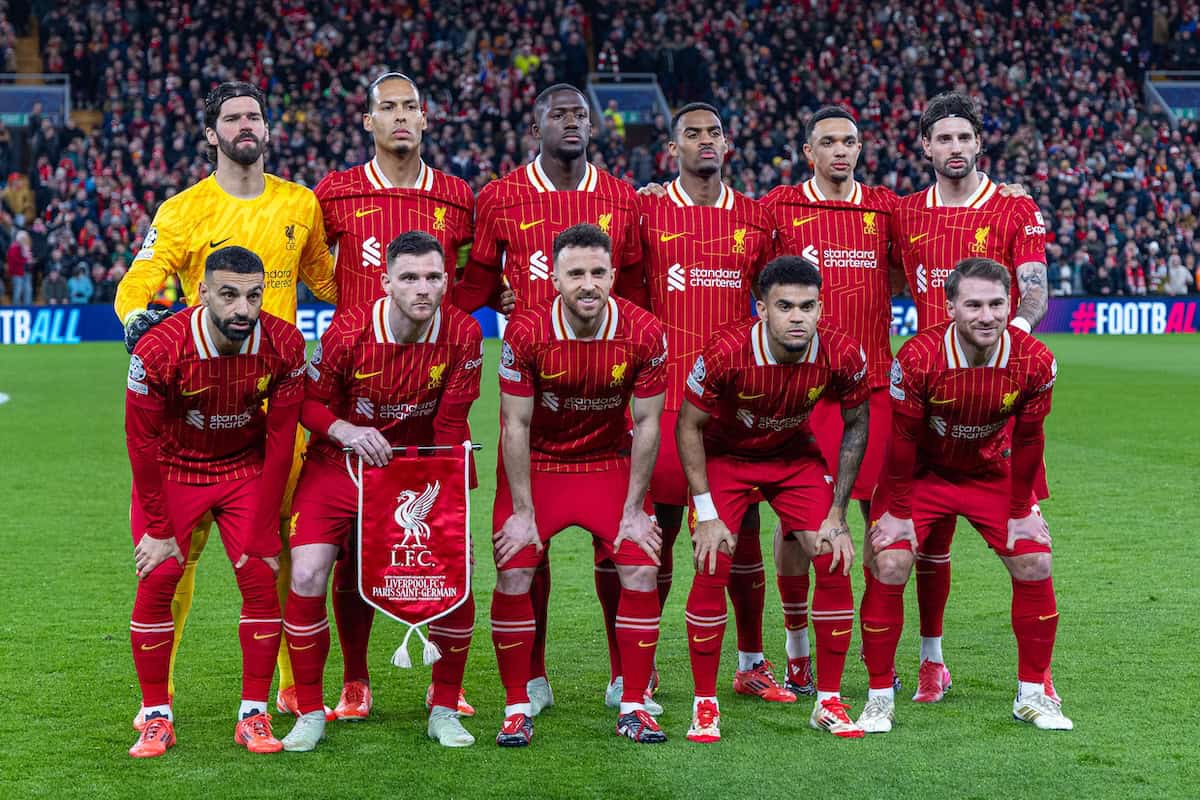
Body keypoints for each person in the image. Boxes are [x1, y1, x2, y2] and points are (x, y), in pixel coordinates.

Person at [115, 81, 338, 728]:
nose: (248, 125)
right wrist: (137, 322)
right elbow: (139, 281)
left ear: (268, 129)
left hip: (276, 408)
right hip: (197, 409)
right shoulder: (183, 210)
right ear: (211, 134)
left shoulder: (300, 203)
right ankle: (157, 698)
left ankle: (295, 690)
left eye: (256, 116)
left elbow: (326, 278)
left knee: (292, 551)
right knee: (171, 563)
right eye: (233, 118)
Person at [453, 84, 645, 715]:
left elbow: (637, 289)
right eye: (559, 114)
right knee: (523, 550)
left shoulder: (621, 196)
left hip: (605, 395)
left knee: (617, 548)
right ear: (536, 126)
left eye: (580, 115)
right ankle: (530, 678)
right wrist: (496, 299)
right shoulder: (502, 196)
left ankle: (625, 675)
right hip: (527, 401)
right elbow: (475, 285)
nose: (572, 123)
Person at [313, 71, 480, 721]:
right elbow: (312, 268)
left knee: (439, 546)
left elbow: (472, 281)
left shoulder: (458, 197)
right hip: (354, 404)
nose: (401, 117)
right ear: (369, 121)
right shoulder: (335, 193)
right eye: (388, 108)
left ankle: (448, 683)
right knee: (350, 552)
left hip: (434, 403)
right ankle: (355, 680)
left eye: (411, 106)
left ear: (427, 119)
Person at [280, 231, 484, 751]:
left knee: (456, 573)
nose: (423, 289)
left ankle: (444, 707)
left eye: (434, 277)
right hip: (339, 466)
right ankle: (310, 709)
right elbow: (310, 404)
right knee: (306, 571)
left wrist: (446, 516)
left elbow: (449, 425)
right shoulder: (348, 330)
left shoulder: (462, 333)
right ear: (386, 281)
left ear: (447, 280)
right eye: (410, 278)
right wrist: (347, 432)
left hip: (421, 470)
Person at [858, 257, 1072, 733]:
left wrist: (1021, 510)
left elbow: (1030, 439)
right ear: (951, 306)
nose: (987, 315)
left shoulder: (1034, 361)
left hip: (989, 473)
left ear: (1009, 305)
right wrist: (896, 511)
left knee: (1035, 559)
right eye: (973, 304)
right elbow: (901, 442)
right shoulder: (917, 357)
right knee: (890, 562)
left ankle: (1033, 694)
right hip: (922, 474)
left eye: (997, 304)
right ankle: (878, 697)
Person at [890, 92, 1051, 703]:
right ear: (926, 145)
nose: (955, 148)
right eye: (943, 138)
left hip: (998, 401)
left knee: (1027, 541)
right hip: (928, 400)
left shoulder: (1014, 207)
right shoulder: (906, 214)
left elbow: (1033, 288)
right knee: (924, 541)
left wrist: (1018, 339)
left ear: (979, 143)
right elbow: (883, 276)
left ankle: (1039, 680)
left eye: (965, 138)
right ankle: (932, 659)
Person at [676, 256, 870, 743]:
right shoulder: (725, 351)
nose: (798, 317)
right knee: (712, 555)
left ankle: (827, 700)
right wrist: (704, 513)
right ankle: (704, 705)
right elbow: (688, 426)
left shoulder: (842, 353)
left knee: (833, 555)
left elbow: (857, 424)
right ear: (762, 308)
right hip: (728, 457)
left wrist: (838, 514)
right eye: (785, 306)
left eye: (807, 306)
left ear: (821, 307)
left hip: (792, 458)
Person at [635, 102, 791, 707]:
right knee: (660, 539)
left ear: (728, 145)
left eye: (714, 132)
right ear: (671, 149)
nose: (705, 141)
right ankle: (640, 669)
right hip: (664, 402)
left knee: (743, 537)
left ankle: (751, 663)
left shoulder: (755, 219)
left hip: (734, 410)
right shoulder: (646, 211)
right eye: (692, 134)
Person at [124, 246, 306, 757]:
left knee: (260, 574)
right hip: (173, 470)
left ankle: (254, 714)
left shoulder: (285, 343)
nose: (242, 309)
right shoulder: (159, 349)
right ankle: (156, 715)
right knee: (158, 576)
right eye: (228, 295)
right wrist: (158, 529)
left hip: (244, 470)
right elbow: (139, 441)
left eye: (253, 295)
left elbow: (281, 435)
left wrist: (267, 524)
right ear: (201, 293)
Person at [491, 223, 667, 746]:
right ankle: (517, 704)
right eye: (575, 273)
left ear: (613, 275)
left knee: (640, 567)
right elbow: (513, 426)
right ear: (554, 277)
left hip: (606, 463)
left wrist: (635, 509)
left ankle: (633, 704)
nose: (587, 284)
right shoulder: (524, 332)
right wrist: (522, 513)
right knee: (514, 573)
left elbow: (650, 424)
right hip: (538, 467)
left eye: (597, 272)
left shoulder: (644, 331)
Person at [762, 106, 900, 696]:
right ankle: (796, 651)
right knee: (798, 529)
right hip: (801, 392)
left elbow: (902, 272)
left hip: (871, 388)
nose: (840, 151)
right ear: (807, 151)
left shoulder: (887, 208)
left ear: (861, 148)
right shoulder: (777, 208)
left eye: (849, 141)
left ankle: (875, 650)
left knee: (879, 526)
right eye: (828, 142)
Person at [6, 229, 31, 305]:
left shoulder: (26, 248)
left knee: (28, 290)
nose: (25, 240)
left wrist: (29, 260)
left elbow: (28, 258)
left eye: (26, 238)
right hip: (17, 273)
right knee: (18, 290)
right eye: (23, 238)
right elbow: (14, 260)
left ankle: (28, 306)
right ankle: (15, 307)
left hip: (26, 271)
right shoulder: (13, 248)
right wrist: (25, 261)